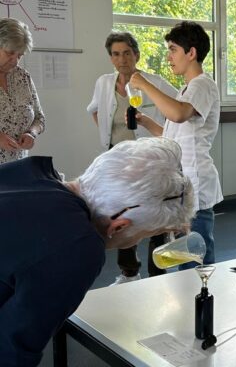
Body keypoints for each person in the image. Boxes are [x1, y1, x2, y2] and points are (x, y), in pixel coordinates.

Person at [0, 137, 195, 366]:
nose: (139, 240)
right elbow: (12, 352)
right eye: (146, 235)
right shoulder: (78, 246)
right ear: (119, 226)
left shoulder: (28, 174)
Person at [87, 31, 178, 285]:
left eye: (127, 53)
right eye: (116, 54)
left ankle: (158, 272)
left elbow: (178, 107)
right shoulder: (104, 83)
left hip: (149, 161)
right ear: (111, 58)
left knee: (154, 215)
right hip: (116, 161)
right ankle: (129, 272)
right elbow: (94, 110)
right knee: (122, 216)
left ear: (136, 55)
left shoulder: (154, 83)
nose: (122, 59)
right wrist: (109, 135)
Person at [130, 21, 222, 266]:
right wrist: (147, 122)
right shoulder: (187, 89)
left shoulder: (203, 84)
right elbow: (174, 137)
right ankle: (192, 297)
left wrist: (145, 85)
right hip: (184, 182)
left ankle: (202, 297)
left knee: (196, 252)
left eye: (173, 49)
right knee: (185, 252)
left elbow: (179, 114)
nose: (168, 56)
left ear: (191, 53)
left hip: (196, 179)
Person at [0, 18, 44, 164]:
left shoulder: (23, 77)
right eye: (10, 53)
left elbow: (40, 118)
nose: (15, 61)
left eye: (19, 55)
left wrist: (32, 133)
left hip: (17, 166)